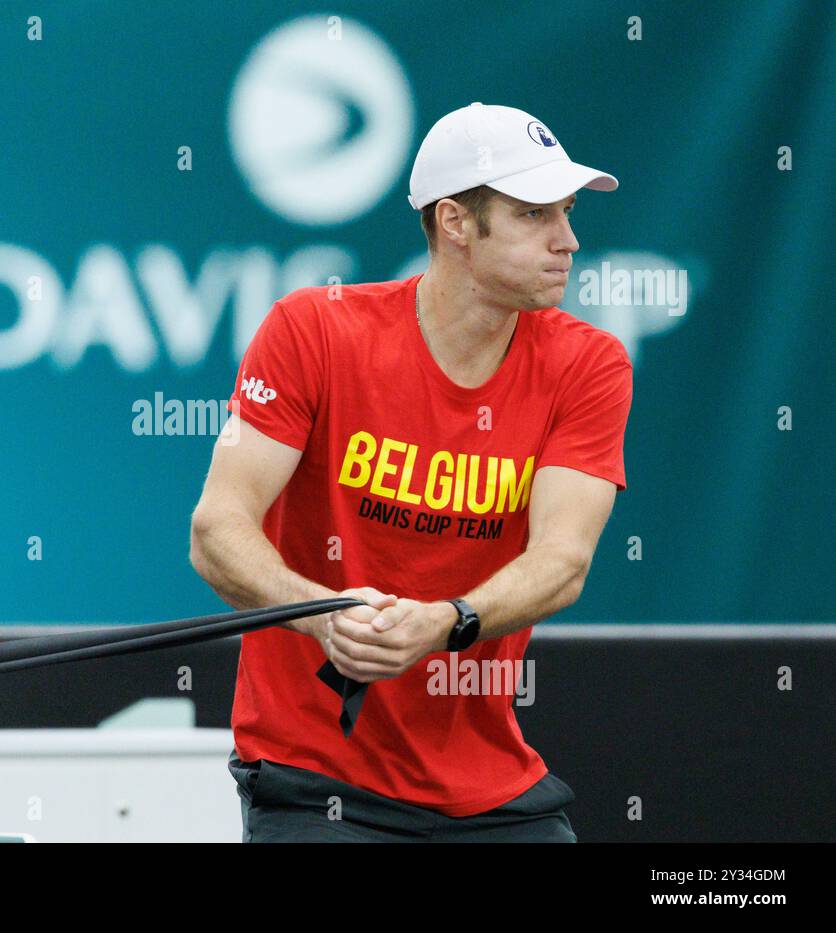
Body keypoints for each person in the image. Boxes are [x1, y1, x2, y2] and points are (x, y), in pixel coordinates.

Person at [189, 103, 632, 842]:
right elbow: (216, 531)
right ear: (455, 222)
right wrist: (322, 613)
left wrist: (446, 622)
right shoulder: (311, 329)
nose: (569, 241)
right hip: (314, 780)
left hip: (491, 789)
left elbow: (562, 562)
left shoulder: (590, 364)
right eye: (534, 215)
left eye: (566, 212)